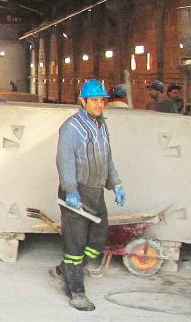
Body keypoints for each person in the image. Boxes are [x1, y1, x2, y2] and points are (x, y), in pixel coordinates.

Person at [49, 79, 126, 311]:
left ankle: (66, 269)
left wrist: (116, 185)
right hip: (76, 191)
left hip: (95, 192)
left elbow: (107, 159)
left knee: (98, 239)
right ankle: (76, 291)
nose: (99, 104)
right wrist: (70, 190)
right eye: (94, 100)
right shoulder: (72, 127)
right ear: (82, 101)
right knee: (76, 242)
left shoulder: (102, 126)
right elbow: (65, 160)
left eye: (101, 100)